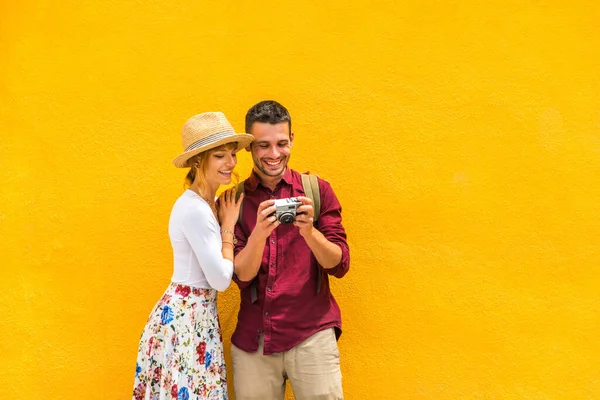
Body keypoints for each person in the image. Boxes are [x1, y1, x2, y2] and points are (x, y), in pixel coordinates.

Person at [230, 101, 350, 400]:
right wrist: (259, 231)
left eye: (282, 143)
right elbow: (240, 276)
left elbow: (340, 264)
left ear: (292, 139)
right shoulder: (234, 201)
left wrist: (309, 231)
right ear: (249, 147)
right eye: (263, 145)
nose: (274, 154)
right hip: (254, 340)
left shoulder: (316, 190)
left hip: (312, 334)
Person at [132, 112, 253, 400]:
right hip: (186, 319)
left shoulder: (204, 203)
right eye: (220, 156)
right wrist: (228, 228)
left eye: (232, 154)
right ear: (199, 161)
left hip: (193, 317)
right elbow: (221, 279)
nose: (231, 163)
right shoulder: (196, 210)